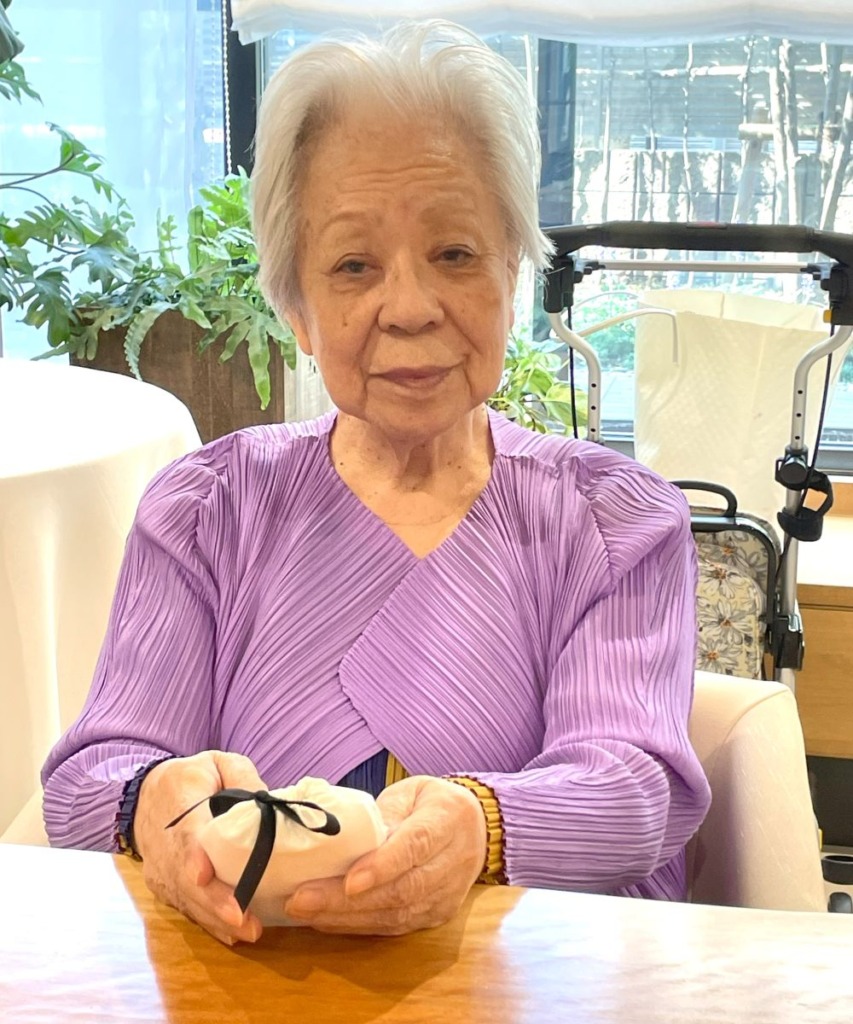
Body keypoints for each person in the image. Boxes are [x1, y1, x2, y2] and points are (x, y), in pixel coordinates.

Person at [42, 20, 711, 946]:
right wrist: (151, 800)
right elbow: (87, 782)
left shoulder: (613, 523)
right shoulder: (207, 510)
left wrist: (481, 826)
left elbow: (633, 790)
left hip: (526, 979)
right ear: (296, 308)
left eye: (455, 254)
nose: (409, 307)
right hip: (251, 981)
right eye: (353, 265)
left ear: (512, 272)